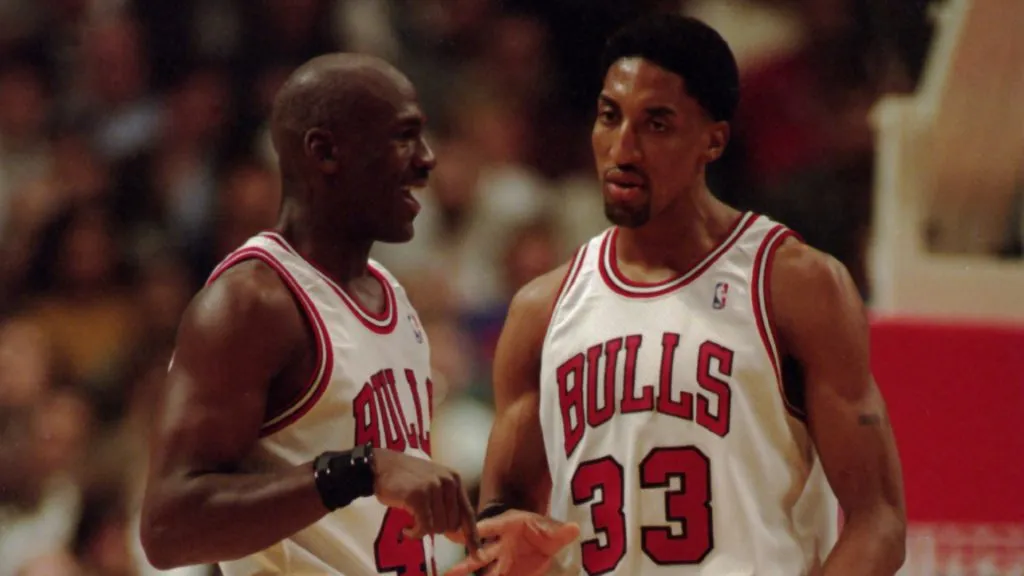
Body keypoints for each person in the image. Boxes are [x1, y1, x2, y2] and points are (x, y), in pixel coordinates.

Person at [446, 14, 907, 576]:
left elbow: (877, 519)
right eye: (609, 117)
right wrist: (498, 546)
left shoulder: (792, 284)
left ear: (712, 140)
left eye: (656, 124)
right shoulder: (542, 310)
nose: (623, 147)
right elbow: (504, 521)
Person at [140, 53, 480, 575]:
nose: (427, 159)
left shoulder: (392, 294)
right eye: (403, 137)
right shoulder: (252, 302)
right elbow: (168, 529)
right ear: (325, 152)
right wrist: (357, 471)